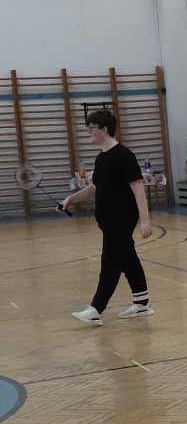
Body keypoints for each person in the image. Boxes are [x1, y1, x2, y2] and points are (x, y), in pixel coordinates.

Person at [59, 109, 153, 325]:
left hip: (121, 218)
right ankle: (142, 303)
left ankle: (96, 309)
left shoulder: (124, 155)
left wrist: (145, 220)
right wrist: (71, 199)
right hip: (108, 219)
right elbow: (95, 187)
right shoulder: (102, 158)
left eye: (91, 128)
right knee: (127, 258)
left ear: (103, 129)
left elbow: (138, 187)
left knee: (110, 262)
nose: (88, 132)